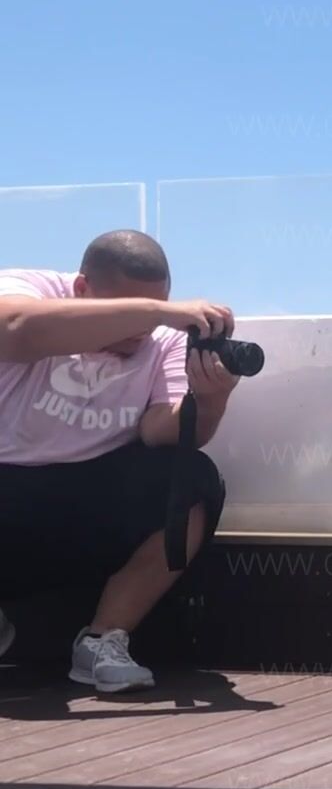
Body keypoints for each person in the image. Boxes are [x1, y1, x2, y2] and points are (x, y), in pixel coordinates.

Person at [0, 231, 240, 691]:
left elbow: (159, 430)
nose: (141, 331)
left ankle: (102, 641)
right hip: (7, 490)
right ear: (81, 289)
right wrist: (154, 311)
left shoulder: (165, 338)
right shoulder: (28, 289)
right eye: (130, 313)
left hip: (83, 506)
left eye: (154, 311)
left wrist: (210, 401)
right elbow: (15, 331)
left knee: (193, 477)